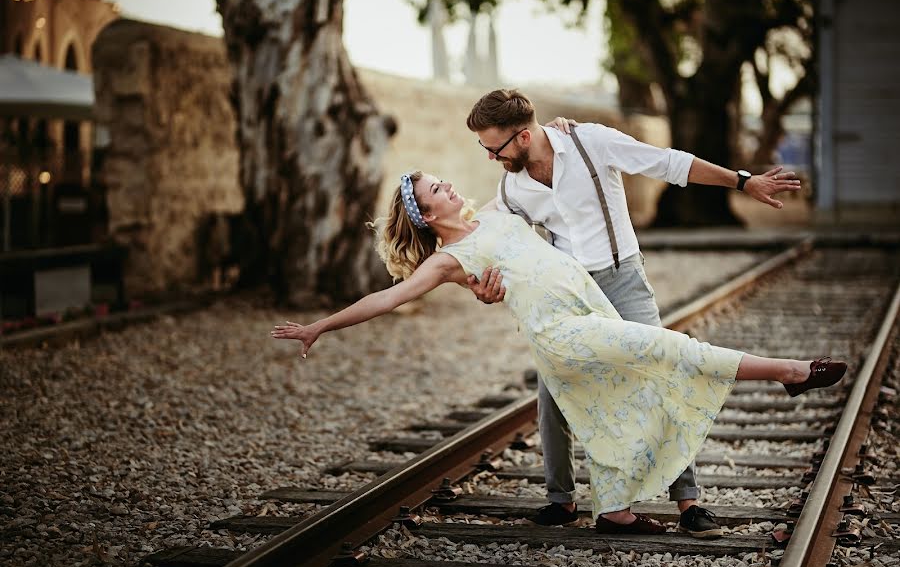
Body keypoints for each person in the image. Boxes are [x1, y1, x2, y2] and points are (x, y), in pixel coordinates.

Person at [271, 171, 846, 534]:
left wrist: (561, 132)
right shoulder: (445, 261)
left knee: (610, 405)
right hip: (562, 335)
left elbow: (554, 180)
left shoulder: (496, 216)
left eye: (441, 180)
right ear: (426, 215)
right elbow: (387, 297)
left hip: (586, 311)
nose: (447, 185)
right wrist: (321, 325)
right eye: (434, 191)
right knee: (671, 347)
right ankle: (789, 372)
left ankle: (614, 512)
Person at [463, 89, 803, 537]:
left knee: (663, 373)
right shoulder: (513, 186)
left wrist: (743, 181)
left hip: (623, 280)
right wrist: (478, 285)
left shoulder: (591, 142)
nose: (490, 156)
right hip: (569, 297)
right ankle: (560, 502)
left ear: (523, 137)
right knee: (551, 396)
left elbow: (670, 163)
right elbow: (484, 237)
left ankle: (689, 504)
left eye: (494, 147)